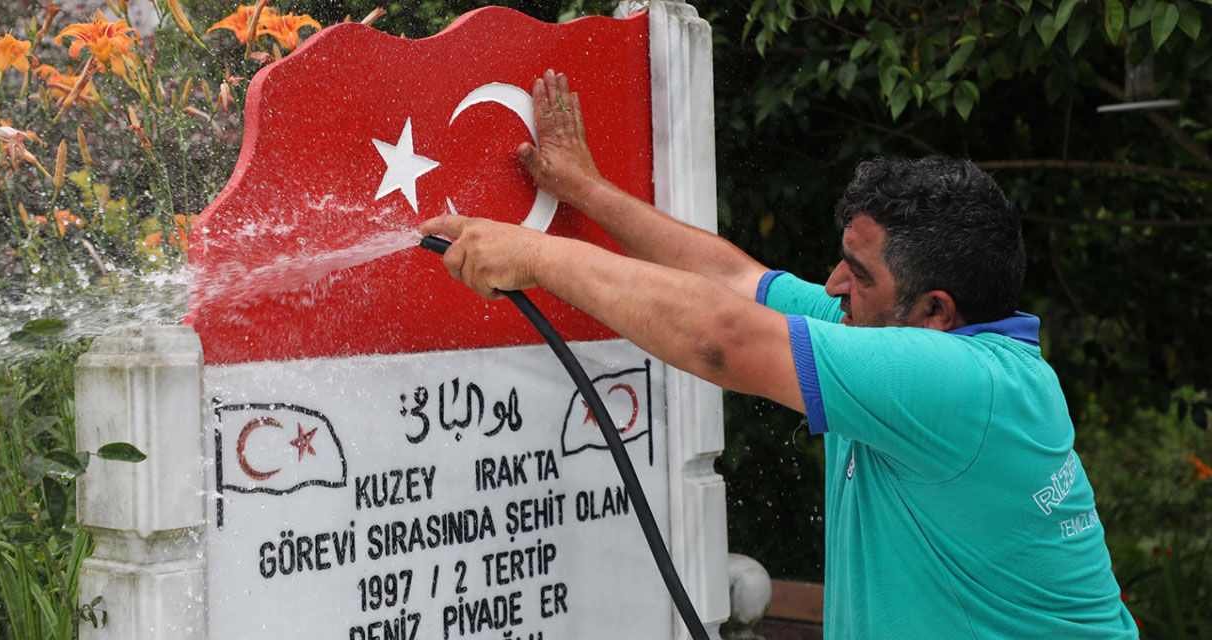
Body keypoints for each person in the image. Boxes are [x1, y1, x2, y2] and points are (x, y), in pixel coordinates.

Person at [420, 69, 1138, 639]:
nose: (831, 288)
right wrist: (584, 191)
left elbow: (722, 339)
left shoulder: (962, 385)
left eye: (856, 275)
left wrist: (535, 255)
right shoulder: (901, 335)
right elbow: (734, 280)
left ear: (935, 312)